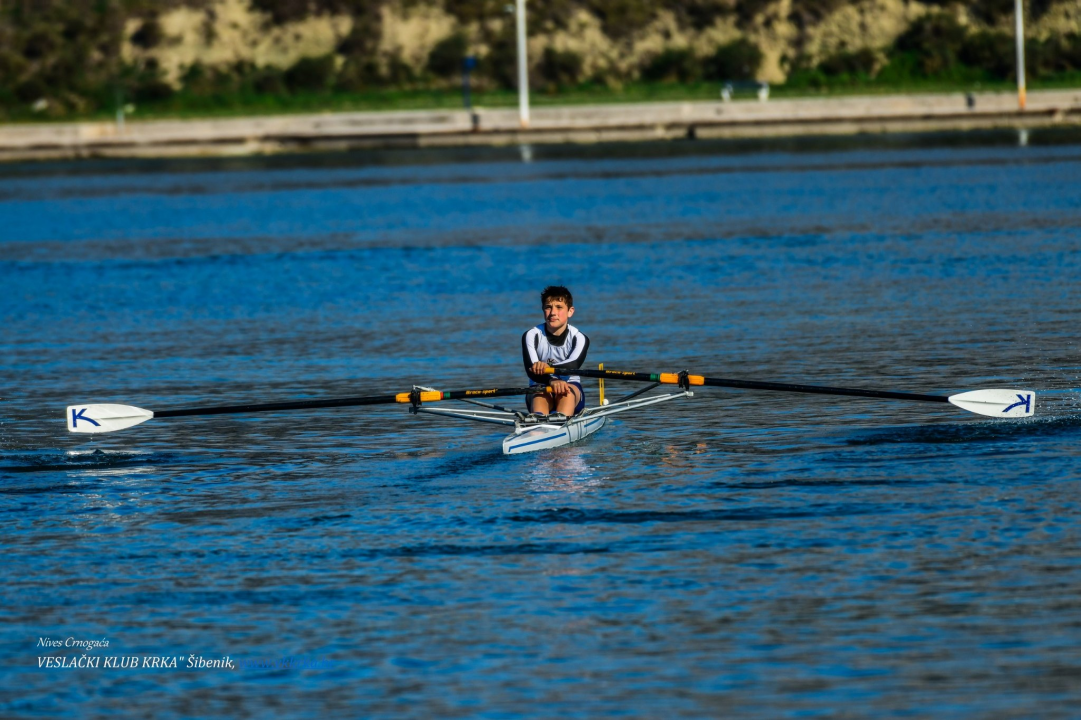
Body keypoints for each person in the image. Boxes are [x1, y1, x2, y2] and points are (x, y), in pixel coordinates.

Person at [522, 286, 590, 420]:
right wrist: (551, 380)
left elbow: (573, 365)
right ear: (543, 310)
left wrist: (548, 369)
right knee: (540, 392)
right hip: (540, 386)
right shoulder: (531, 335)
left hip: (570, 389)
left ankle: (560, 421)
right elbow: (531, 370)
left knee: (566, 391)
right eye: (548, 307)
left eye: (559, 307)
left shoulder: (579, 338)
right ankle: (538, 423)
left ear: (570, 311)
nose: (553, 312)